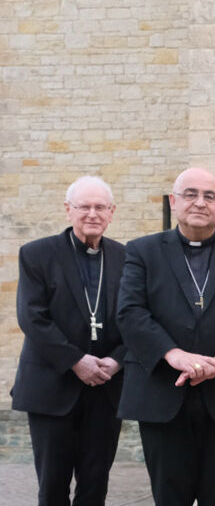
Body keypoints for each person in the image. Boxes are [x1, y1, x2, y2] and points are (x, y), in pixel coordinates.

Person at [116, 167, 215, 506]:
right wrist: (174, 354)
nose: (200, 203)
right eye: (190, 194)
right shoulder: (142, 251)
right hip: (163, 392)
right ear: (174, 201)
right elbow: (130, 312)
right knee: (170, 497)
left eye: (209, 196)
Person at [13, 176, 127, 506]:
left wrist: (118, 359)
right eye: (84, 206)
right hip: (52, 386)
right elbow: (32, 317)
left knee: (95, 486)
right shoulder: (37, 254)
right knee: (53, 487)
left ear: (111, 212)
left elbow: (138, 318)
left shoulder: (126, 257)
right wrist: (76, 361)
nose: (92, 213)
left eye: (100, 207)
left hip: (106, 387)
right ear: (68, 210)